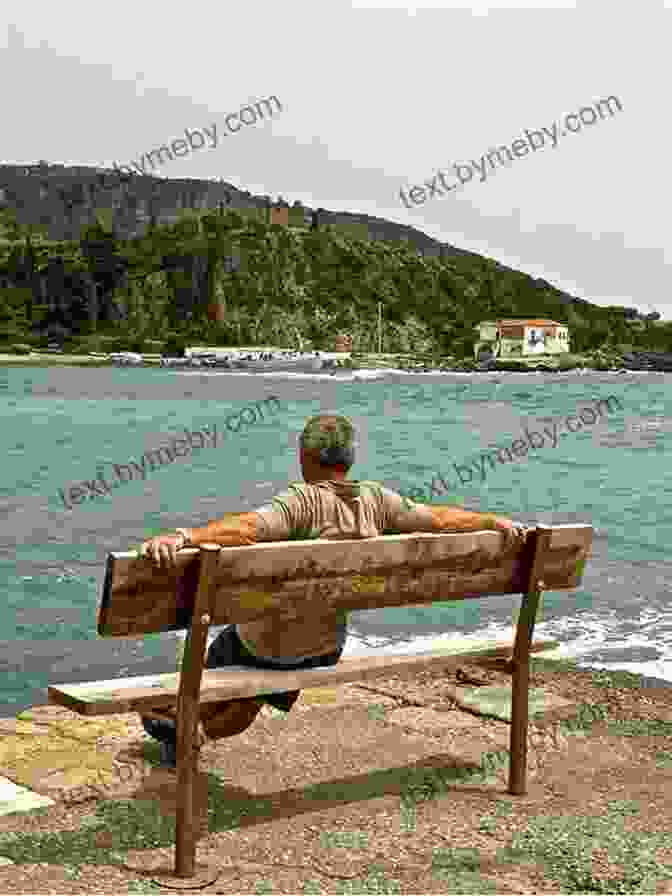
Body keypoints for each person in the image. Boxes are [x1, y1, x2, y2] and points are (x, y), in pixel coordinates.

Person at [138, 414, 524, 767]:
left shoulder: (301, 501)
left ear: (304, 457)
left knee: (224, 665)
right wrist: (491, 520)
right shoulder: (375, 500)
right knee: (252, 688)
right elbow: (438, 518)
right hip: (325, 649)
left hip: (267, 647)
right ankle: (196, 736)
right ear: (349, 459)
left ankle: (178, 730)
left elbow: (246, 529)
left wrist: (185, 535)